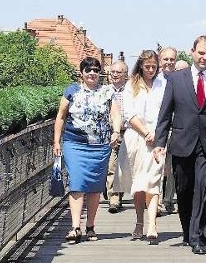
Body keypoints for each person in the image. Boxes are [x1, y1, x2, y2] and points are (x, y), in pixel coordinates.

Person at [154, 35, 206, 255]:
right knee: (184, 190)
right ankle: (188, 230)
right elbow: (165, 113)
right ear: (192, 52)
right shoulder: (176, 79)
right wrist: (160, 141)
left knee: (203, 192)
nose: (204, 57)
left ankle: (199, 237)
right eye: (201, 53)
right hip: (182, 143)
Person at [53, 57, 121, 244]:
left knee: (94, 188)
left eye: (96, 70)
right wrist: (56, 141)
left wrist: (116, 131)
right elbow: (61, 117)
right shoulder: (71, 91)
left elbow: (115, 114)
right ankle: (76, 227)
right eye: (88, 70)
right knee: (76, 182)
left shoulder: (108, 92)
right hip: (74, 143)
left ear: (100, 73)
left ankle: (90, 226)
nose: (92, 73)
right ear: (81, 72)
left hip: (99, 146)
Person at [118, 50, 166, 244]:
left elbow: (166, 111)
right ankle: (139, 222)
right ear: (140, 66)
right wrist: (146, 132)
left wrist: (156, 133)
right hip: (136, 137)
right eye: (147, 67)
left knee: (154, 181)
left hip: (158, 138)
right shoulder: (131, 86)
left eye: (154, 67)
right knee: (139, 184)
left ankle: (152, 224)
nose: (151, 70)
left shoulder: (164, 84)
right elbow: (129, 114)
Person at [156, 47, 178, 215]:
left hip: (175, 129)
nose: (169, 62)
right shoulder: (154, 81)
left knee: (170, 168)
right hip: (155, 129)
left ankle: (168, 200)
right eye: (166, 59)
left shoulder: (181, 80)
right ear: (160, 61)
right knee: (155, 167)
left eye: (172, 59)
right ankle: (154, 200)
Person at [105, 60, 128, 213]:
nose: (114, 74)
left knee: (125, 167)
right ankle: (113, 198)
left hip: (129, 132)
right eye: (112, 72)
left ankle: (121, 194)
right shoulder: (105, 91)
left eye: (118, 72)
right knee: (112, 165)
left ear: (125, 75)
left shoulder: (132, 91)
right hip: (110, 132)